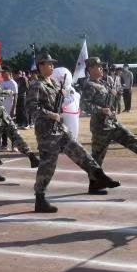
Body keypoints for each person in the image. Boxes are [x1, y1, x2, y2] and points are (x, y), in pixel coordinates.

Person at [28, 53, 120, 212]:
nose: (52, 66)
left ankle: (99, 176)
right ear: (41, 66)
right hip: (46, 131)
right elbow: (31, 108)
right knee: (48, 165)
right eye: (49, 64)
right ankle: (40, 198)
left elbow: (58, 102)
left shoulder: (54, 83)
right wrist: (49, 114)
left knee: (79, 151)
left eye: (52, 63)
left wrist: (63, 96)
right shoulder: (37, 85)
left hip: (59, 128)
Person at [81, 57, 137, 193]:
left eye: (101, 66)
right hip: (100, 127)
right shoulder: (89, 85)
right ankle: (94, 184)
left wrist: (115, 96)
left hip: (112, 123)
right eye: (98, 66)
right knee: (97, 157)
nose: (101, 69)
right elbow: (84, 105)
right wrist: (101, 110)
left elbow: (110, 99)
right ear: (90, 69)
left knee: (131, 139)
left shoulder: (104, 83)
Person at [0, 64, 40, 181]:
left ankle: (32, 157)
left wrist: (3, 95)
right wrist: (6, 92)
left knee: (16, 135)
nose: (0, 73)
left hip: (3, 115)